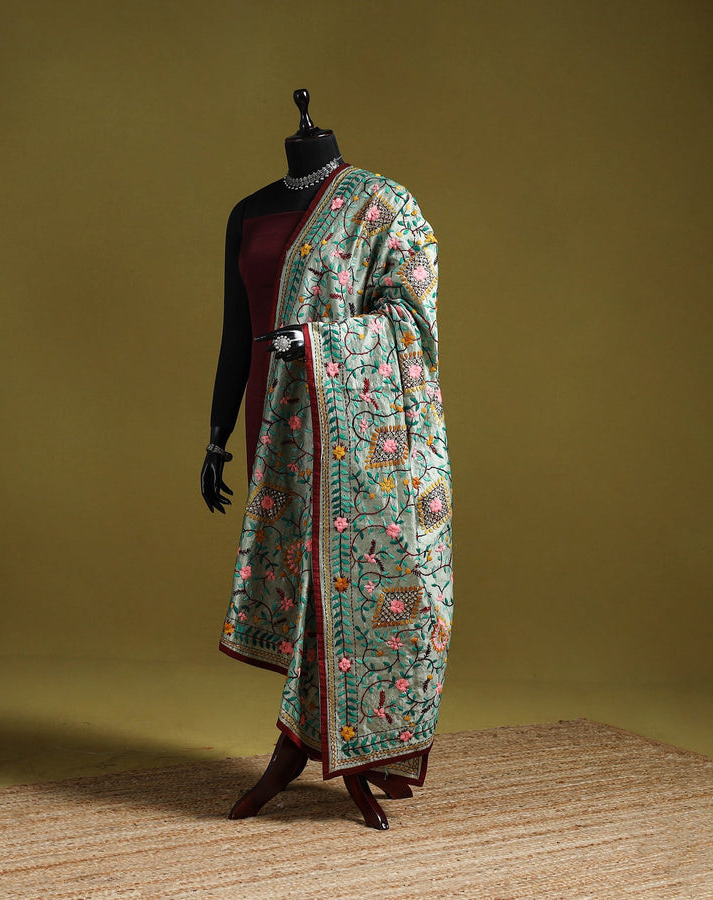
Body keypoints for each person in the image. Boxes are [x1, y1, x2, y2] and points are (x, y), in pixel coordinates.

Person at [201, 90, 454, 829]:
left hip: (354, 434)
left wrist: (314, 343)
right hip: (276, 426)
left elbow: (409, 322)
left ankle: (321, 747)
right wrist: (216, 437)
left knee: (350, 578)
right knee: (309, 582)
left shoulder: (383, 206)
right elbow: (235, 332)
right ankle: (319, 741)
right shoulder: (248, 212)